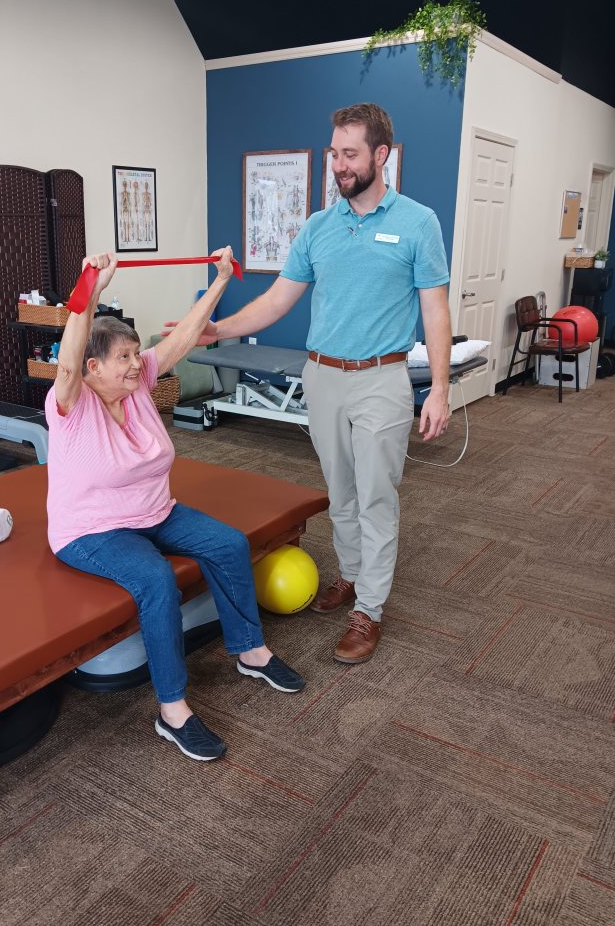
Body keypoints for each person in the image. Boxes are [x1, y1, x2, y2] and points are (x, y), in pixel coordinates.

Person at [168, 104, 452, 666]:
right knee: (339, 490)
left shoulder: (418, 222)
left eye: (350, 154)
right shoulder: (319, 227)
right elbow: (278, 300)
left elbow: (435, 310)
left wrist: (439, 388)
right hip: (321, 376)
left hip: (381, 379)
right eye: (333, 154)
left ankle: (369, 608)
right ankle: (351, 574)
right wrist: (217, 329)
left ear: (381, 155)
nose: (339, 165)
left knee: (375, 496)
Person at [45, 246, 304, 763]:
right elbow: (68, 361)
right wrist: (88, 291)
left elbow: (183, 338)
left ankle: (251, 651)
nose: (136, 364)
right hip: (92, 530)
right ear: (93, 367)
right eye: (123, 357)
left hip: (155, 511)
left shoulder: (138, 383)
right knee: (157, 580)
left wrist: (221, 280)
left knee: (228, 544)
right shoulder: (70, 403)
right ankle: (173, 709)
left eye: (135, 354)